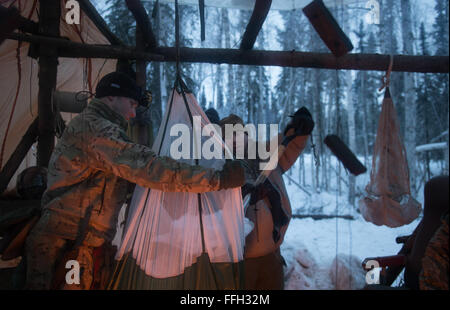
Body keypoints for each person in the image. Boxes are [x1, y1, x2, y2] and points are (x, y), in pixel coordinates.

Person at [24, 71, 245, 290]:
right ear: (111, 97)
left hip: (80, 242)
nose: (132, 114)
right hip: (66, 244)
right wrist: (217, 180)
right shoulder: (95, 130)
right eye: (131, 104)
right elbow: (148, 168)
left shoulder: (97, 128)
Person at [219, 107, 314, 290]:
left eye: (238, 134)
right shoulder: (218, 168)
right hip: (237, 262)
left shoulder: (265, 155)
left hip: (271, 256)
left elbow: (287, 146)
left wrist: (298, 130)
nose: (235, 140)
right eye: (228, 137)